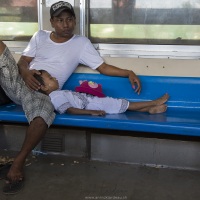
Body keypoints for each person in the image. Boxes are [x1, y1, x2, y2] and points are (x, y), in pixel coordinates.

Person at [0, 1, 141, 194]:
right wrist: (25, 73)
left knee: (43, 115)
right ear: (52, 22)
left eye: (69, 20)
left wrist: (128, 72)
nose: (65, 25)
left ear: (74, 21)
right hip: (18, 83)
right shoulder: (39, 37)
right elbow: (23, 62)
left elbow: (103, 67)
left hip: (41, 93)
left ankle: (17, 163)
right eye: (60, 20)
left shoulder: (80, 44)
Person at [34, 70, 169, 115]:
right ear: (44, 87)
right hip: (94, 106)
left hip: (94, 103)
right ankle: (155, 101)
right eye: (51, 79)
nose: (55, 78)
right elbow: (70, 110)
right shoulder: (55, 96)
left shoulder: (57, 92)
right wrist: (93, 112)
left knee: (120, 106)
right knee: (125, 104)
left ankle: (149, 109)